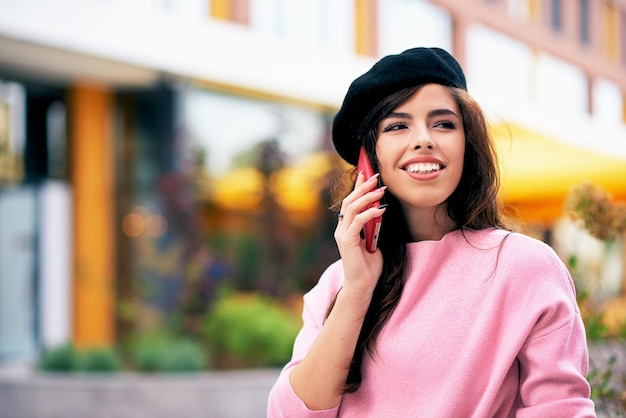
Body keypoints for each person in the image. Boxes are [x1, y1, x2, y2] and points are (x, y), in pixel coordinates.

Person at [267, 47, 595, 417]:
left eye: (443, 123)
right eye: (397, 125)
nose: (423, 139)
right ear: (368, 158)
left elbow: (560, 409)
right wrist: (358, 289)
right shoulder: (338, 283)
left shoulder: (526, 267)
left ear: (467, 144)